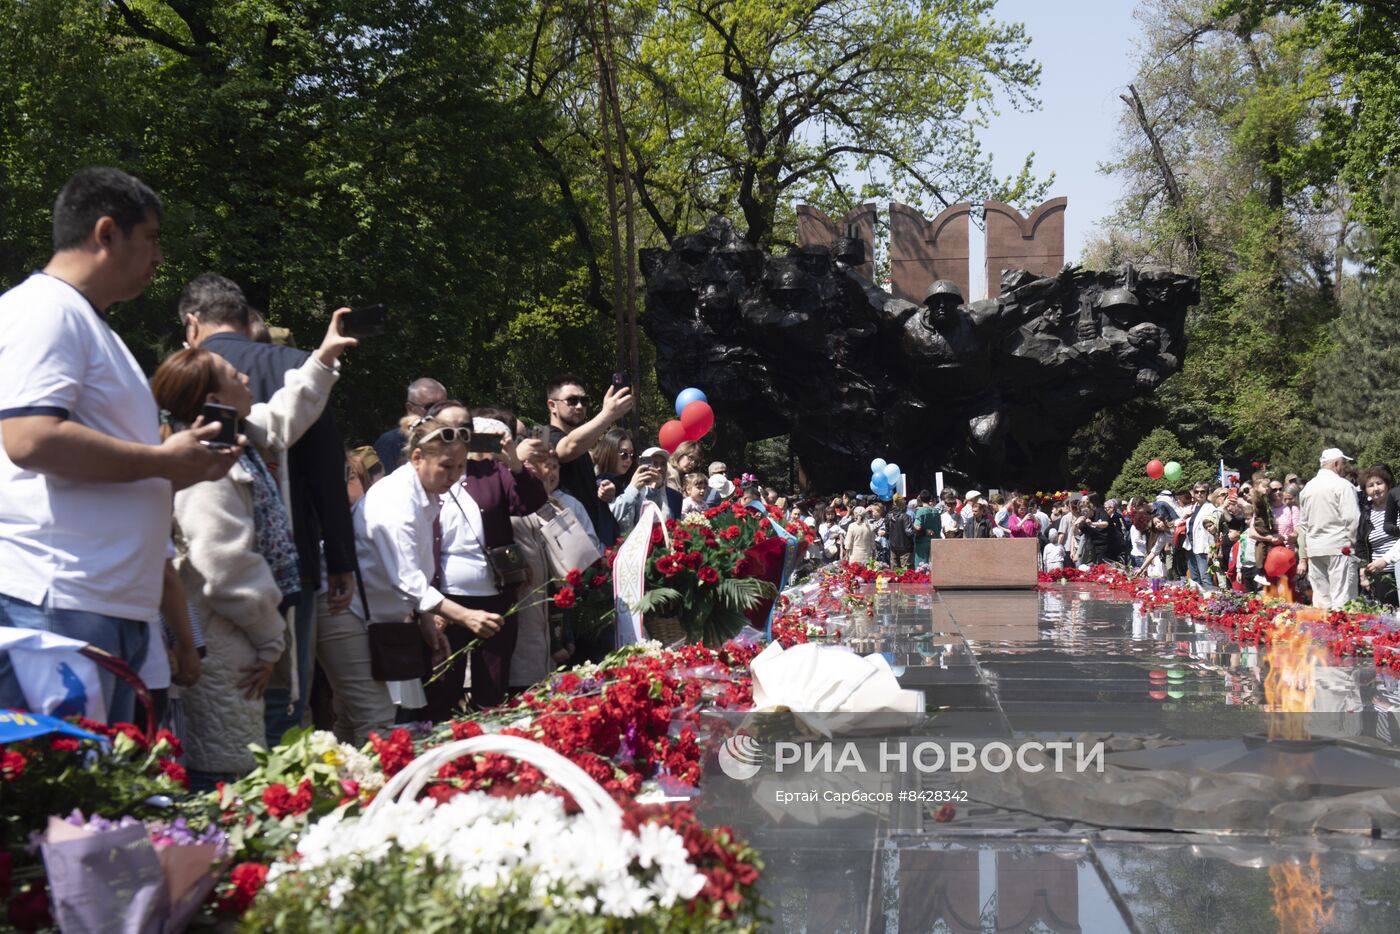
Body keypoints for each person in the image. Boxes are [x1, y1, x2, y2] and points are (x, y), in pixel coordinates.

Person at [0, 167, 239, 723]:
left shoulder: (88, 324)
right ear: (107, 232)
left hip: (103, 600)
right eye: (152, 238)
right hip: (60, 601)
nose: (159, 258)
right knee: (67, 803)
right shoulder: (45, 313)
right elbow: (29, 438)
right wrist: (162, 460)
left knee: (103, 802)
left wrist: (183, 467)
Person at [152, 310, 354, 783]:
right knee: (231, 775)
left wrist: (323, 358)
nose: (246, 374)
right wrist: (270, 642)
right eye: (231, 374)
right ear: (213, 399)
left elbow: (287, 411)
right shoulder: (208, 470)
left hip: (240, 638)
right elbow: (226, 570)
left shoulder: (235, 441)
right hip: (230, 647)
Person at [349, 416, 505, 715]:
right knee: (372, 717)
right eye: (447, 466)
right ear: (417, 457)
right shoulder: (395, 500)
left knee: (380, 717)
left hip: (387, 622)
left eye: (461, 467)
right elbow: (406, 579)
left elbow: (418, 570)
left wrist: (424, 622)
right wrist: (465, 616)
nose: (456, 476)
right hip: (354, 618)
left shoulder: (427, 494)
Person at [417, 405, 547, 716]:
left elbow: (531, 502)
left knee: (492, 690)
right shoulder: (426, 475)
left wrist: (514, 463)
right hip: (445, 602)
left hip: (495, 599)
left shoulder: (492, 473)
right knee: (441, 688)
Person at [547, 374, 633, 532]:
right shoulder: (547, 438)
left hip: (591, 541)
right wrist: (608, 415)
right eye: (572, 400)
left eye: (584, 401)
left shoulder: (583, 450)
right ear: (552, 405)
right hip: (566, 542)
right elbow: (569, 447)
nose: (579, 406)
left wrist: (604, 492)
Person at [1299, 448, 1362, 610]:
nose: (1344, 467)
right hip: (1340, 548)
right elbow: (1353, 518)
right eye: (1343, 464)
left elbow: (1303, 525)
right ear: (1335, 463)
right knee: (1342, 599)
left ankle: (1323, 634)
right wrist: (1352, 546)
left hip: (1315, 549)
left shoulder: (1307, 488)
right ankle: (1344, 633)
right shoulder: (1343, 485)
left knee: (1321, 600)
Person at [373, 378, 446, 473]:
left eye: (443, 405)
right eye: (430, 406)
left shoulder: (454, 438)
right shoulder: (390, 443)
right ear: (410, 408)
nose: (438, 411)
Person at [613, 446, 682, 533]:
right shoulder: (631, 492)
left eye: (663, 464)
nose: (659, 468)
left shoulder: (676, 496)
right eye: (655, 463)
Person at [1357, 465, 1398, 605]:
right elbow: (1361, 546)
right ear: (1365, 491)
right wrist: (1363, 571)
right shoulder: (1366, 514)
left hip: (1397, 566)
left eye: (1379, 483)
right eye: (1370, 485)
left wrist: (1386, 559)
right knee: (1389, 616)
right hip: (1380, 574)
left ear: (1388, 485)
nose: (1376, 488)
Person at [1184, 482, 1219, 588]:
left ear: (1207, 493)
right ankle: (1197, 603)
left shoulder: (1211, 508)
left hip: (1203, 547)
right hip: (1190, 546)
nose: (1199, 494)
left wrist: (1211, 550)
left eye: (1202, 492)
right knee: (1194, 580)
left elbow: (1212, 532)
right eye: (1196, 492)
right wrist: (1185, 516)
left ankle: (1209, 603)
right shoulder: (1191, 508)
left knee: (1206, 579)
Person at [913, 491, 940, 565]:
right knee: (934, 566)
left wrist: (912, 525)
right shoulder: (936, 511)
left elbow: (917, 527)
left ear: (920, 499)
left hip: (922, 542)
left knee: (921, 566)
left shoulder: (920, 512)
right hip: (935, 541)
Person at [887, 498, 915, 567]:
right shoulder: (905, 516)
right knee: (905, 571)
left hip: (893, 546)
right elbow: (909, 532)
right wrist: (918, 531)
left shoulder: (888, 516)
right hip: (905, 547)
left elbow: (887, 530)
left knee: (894, 571)